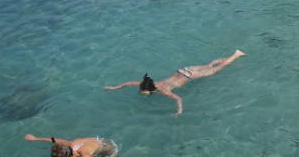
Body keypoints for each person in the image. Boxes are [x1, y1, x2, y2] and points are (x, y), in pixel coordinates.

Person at [104, 49, 247, 116]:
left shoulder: (163, 90)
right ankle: (224, 58)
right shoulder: (150, 83)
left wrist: (179, 111)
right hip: (184, 70)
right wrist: (114, 87)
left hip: (190, 75)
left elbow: (179, 98)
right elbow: (129, 82)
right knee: (209, 66)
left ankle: (236, 54)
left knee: (217, 70)